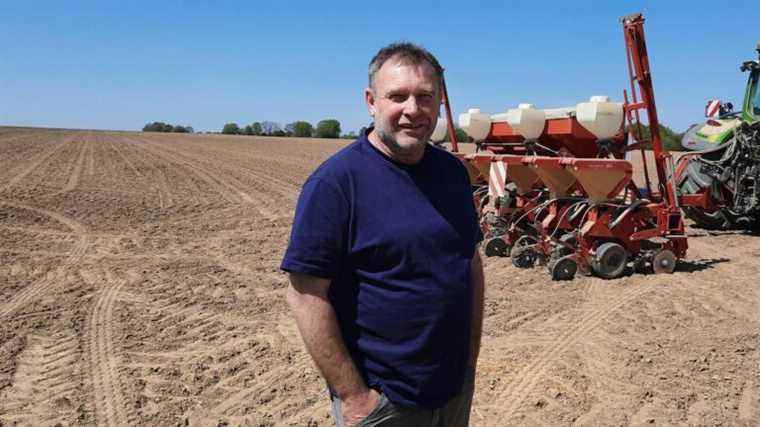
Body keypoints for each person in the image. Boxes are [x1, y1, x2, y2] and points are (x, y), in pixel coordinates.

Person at [281, 42, 484, 426]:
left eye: (425, 97)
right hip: (385, 403)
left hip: (453, 390)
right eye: (398, 96)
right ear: (371, 101)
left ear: (440, 103)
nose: (413, 109)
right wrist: (355, 398)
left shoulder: (453, 173)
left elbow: (469, 262)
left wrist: (469, 360)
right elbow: (306, 295)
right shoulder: (337, 183)